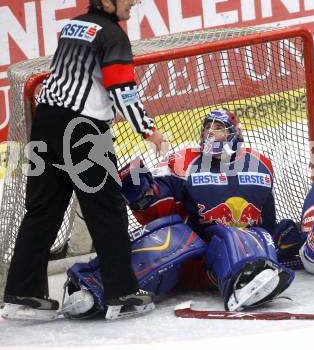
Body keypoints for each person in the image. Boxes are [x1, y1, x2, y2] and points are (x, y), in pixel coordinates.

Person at [2, 0, 168, 321]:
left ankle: (21, 295)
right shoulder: (113, 36)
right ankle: (122, 294)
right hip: (82, 132)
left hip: (46, 123)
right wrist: (149, 130)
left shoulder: (73, 26)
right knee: (107, 211)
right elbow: (121, 90)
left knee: (42, 211)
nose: (131, 4)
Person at [61, 109, 297, 318]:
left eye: (219, 128)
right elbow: (160, 211)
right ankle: (92, 288)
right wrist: (142, 194)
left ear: (235, 133)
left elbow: (268, 218)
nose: (211, 134)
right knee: (167, 236)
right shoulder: (184, 161)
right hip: (189, 257)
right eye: (207, 128)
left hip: (239, 250)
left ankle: (249, 276)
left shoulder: (260, 163)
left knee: (244, 233)